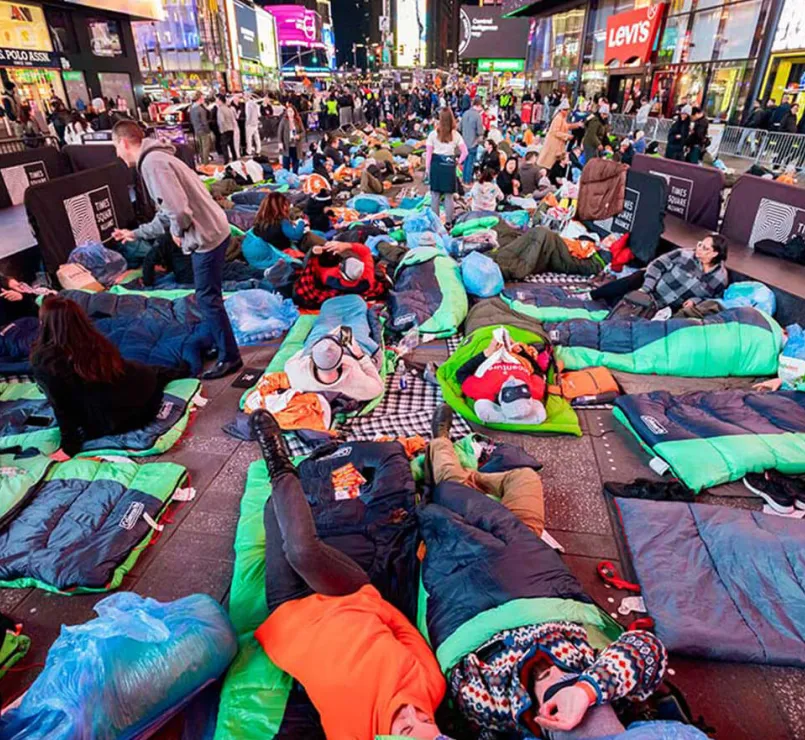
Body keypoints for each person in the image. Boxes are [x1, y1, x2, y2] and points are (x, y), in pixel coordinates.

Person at [248, 410, 447, 739]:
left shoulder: (350, 733)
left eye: (406, 727)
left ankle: (287, 484)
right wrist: (369, 602)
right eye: (427, 720)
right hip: (349, 594)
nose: (412, 712)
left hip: (290, 612)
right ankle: (278, 461)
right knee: (301, 551)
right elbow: (402, 627)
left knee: (274, 509)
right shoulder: (432, 686)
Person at [111, 120, 242, 379]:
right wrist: (135, 233)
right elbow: (168, 214)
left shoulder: (152, 164)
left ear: (124, 142)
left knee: (208, 299)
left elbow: (178, 213)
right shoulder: (159, 158)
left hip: (207, 238)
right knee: (209, 297)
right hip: (213, 231)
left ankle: (230, 357)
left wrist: (177, 231)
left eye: (115, 146)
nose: (116, 153)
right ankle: (223, 345)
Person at [30, 296, 185, 458]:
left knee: (142, 371)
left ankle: (168, 373)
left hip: (116, 421)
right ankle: (172, 372)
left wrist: (69, 448)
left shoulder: (45, 362)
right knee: (143, 371)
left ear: (45, 324)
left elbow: (62, 408)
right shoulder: (92, 340)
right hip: (144, 403)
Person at [592, 235, 729, 312]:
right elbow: (656, 265)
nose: (698, 249)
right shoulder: (684, 254)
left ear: (714, 253)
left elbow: (713, 299)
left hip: (670, 306)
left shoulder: (720, 278)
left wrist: (695, 301)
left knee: (623, 308)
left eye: (704, 248)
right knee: (634, 279)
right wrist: (647, 288)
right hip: (653, 287)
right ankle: (591, 295)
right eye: (699, 244)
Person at [425, 108, 468, 227]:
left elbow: (428, 154)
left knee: (435, 195)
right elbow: (465, 152)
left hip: (436, 165)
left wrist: (427, 169)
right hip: (449, 166)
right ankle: (449, 222)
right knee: (449, 196)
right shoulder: (456, 135)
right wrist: (458, 162)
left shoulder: (433, 134)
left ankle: (435, 223)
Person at [537, 100, 575, 170]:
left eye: (567, 110)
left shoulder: (562, 118)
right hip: (553, 144)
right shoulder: (558, 118)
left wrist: (575, 125)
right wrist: (567, 136)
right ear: (561, 110)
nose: (566, 112)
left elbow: (565, 126)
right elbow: (555, 132)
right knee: (549, 162)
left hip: (558, 144)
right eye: (565, 110)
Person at [460, 97, 485, 186]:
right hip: (473, 143)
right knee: (470, 163)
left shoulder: (465, 113)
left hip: (463, 142)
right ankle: (467, 181)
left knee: (465, 162)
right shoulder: (477, 116)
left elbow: (460, 127)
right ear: (478, 105)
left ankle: (463, 180)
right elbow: (480, 131)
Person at [278, 103, 305, 174]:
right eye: (288, 111)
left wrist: (299, 136)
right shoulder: (284, 121)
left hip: (296, 145)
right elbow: (280, 132)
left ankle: (295, 175)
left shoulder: (298, 120)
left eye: (291, 111)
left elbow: (303, 132)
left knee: (296, 162)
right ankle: (286, 177)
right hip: (287, 145)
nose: (289, 113)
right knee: (286, 163)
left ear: (294, 112)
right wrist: (280, 142)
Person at [189, 91, 213, 165]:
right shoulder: (200, 109)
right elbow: (204, 122)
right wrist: (208, 131)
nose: (204, 99)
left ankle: (202, 163)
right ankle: (205, 163)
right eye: (203, 98)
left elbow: (192, 120)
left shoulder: (192, 108)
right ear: (200, 98)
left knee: (201, 148)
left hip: (197, 130)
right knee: (206, 147)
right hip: (203, 131)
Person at [216, 94, 238, 163]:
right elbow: (232, 119)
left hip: (225, 130)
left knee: (224, 146)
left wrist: (221, 130)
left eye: (217, 100)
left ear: (220, 101)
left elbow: (221, 121)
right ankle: (235, 158)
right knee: (232, 145)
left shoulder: (220, 109)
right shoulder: (229, 109)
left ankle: (226, 160)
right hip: (231, 129)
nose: (217, 102)